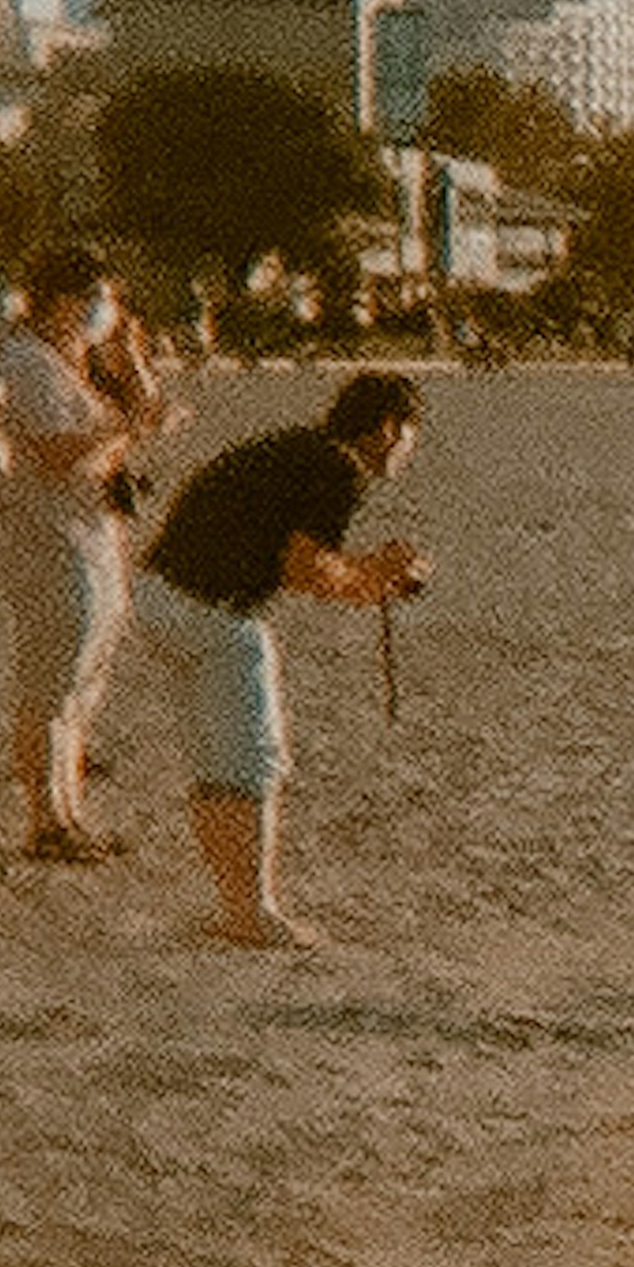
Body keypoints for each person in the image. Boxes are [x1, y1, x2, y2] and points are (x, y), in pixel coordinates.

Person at [133, 367, 428, 948]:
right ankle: (252, 910)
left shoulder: (301, 449)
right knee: (252, 760)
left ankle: (233, 905)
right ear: (388, 429)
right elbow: (305, 570)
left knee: (216, 760)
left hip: (158, 594)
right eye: (410, 433)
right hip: (210, 606)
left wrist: (368, 576)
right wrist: (375, 576)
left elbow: (299, 561)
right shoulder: (339, 469)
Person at [0, 249, 172, 861]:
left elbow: (117, 425)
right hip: (48, 540)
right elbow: (58, 450)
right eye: (99, 299)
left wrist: (131, 371)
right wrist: (129, 427)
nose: (105, 312)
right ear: (66, 299)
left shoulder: (70, 363)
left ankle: (68, 811)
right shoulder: (27, 362)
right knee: (51, 681)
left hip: (89, 533)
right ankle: (45, 819)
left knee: (82, 683)